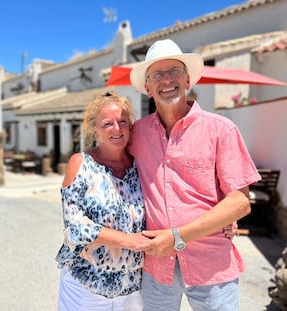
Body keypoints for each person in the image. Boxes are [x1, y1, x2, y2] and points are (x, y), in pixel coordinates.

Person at [128, 38, 261, 310]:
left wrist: (177, 236)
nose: (167, 80)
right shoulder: (136, 133)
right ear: (148, 88)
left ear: (187, 80)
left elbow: (240, 202)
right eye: (157, 74)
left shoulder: (221, 129)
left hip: (210, 266)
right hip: (156, 268)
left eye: (174, 71)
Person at [55, 91, 151, 311]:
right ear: (94, 129)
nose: (117, 129)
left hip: (133, 287)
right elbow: (76, 228)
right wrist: (132, 241)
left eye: (123, 122)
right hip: (85, 284)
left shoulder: (142, 165)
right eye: (108, 123)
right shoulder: (80, 163)